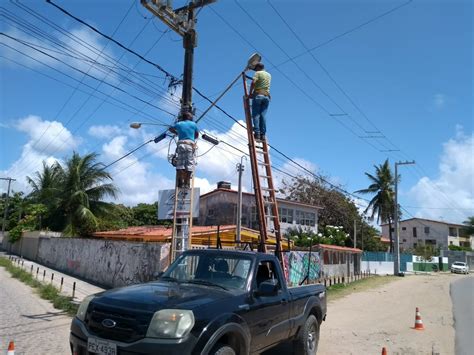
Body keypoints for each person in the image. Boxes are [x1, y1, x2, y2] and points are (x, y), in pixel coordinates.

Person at [169, 112, 199, 188]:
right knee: (189, 164)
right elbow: (197, 135)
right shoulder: (193, 124)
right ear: (189, 117)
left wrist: (177, 133)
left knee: (180, 165)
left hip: (181, 145)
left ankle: (181, 182)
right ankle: (187, 183)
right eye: (191, 116)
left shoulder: (179, 124)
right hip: (189, 145)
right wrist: (192, 136)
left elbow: (171, 129)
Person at [249, 62, 271, 141]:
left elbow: (253, 83)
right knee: (263, 115)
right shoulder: (269, 75)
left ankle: (257, 133)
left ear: (258, 68)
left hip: (258, 95)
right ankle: (263, 134)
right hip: (266, 97)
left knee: (256, 115)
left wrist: (250, 93)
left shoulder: (258, 73)